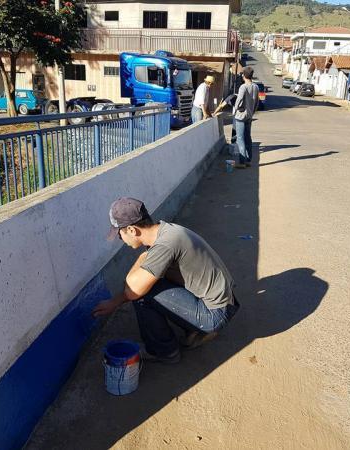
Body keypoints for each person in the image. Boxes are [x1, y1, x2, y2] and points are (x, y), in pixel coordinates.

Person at [93, 198, 239, 364]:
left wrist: (142, 258)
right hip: (222, 302)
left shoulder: (164, 246)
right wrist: (114, 302)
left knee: (142, 295)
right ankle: (195, 330)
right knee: (149, 282)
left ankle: (164, 352)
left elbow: (133, 290)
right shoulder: (164, 231)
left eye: (120, 234)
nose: (121, 239)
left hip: (216, 313)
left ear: (132, 230)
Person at [233, 66, 259, 168]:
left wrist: (235, 109)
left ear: (244, 75)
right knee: (248, 137)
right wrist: (252, 112)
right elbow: (257, 102)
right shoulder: (255, 87)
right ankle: (248, 160)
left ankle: (242, 162)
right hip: (249, 115)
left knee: (240, 138)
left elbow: (238, 100)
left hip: (241, 115)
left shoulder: (243, 87)